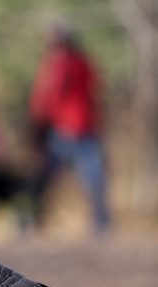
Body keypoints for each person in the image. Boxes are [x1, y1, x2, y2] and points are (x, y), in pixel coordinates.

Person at [29, 23, 110, 234]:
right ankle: (29, 218)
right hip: (63, 131)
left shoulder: (70, 64)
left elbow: (45, 99)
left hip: (79, 130)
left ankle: (101, 223)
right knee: (47, 179)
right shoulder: (67, 63)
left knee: (92, 178)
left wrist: (37, 123)